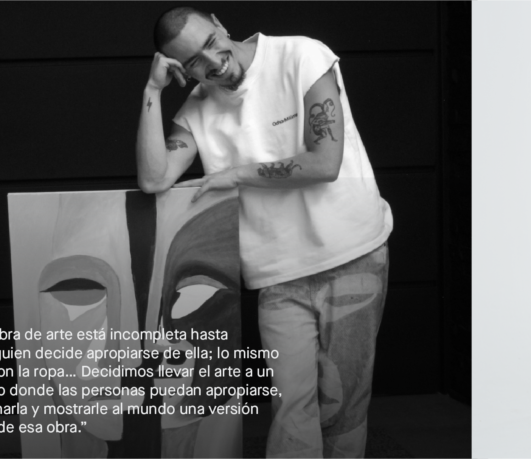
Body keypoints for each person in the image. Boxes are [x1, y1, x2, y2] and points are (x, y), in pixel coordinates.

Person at [137, 7, 394, 458]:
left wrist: (236, 174)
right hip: (277, 275)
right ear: (180, 68)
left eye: (211, 43)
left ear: (220, 24)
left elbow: (325, 163)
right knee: (290, 407)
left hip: (351, 254)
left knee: (343, 407)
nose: (213, 62)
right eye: (194, 61)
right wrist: (153, 91)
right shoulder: (197, 107)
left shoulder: (301, 55)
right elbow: (154, 178)